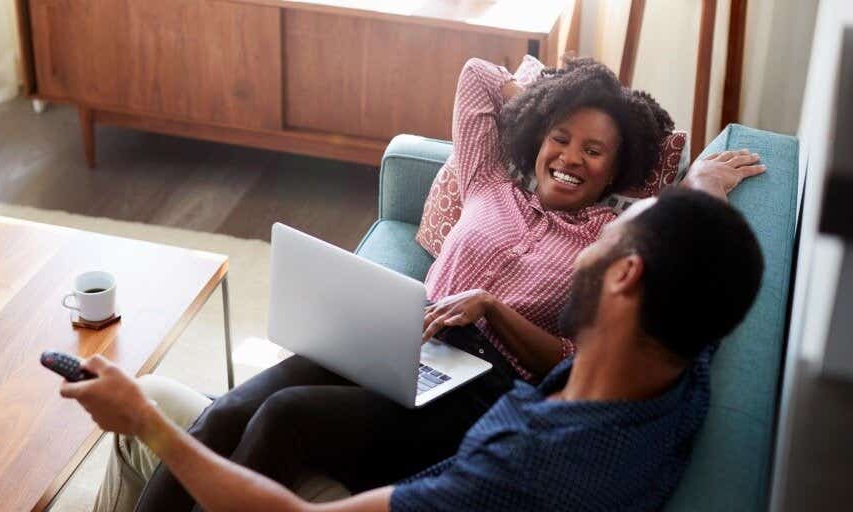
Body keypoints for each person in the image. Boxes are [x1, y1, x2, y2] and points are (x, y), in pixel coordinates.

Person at [95, 56, 763, 511]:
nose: (572, 158)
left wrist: (493, 309)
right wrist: (562, 104)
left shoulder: (607, 260)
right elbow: (477, 76)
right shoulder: (491, 184)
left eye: (597, 151)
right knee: (226, 412)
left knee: (282, 417)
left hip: (477, 376)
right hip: (400, 336)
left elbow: (582, 351)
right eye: (561, 138)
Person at [61, 186, 765, 511]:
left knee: (148, 408)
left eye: (614, 232)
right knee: (226, 412)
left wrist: (144, 423)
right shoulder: (677, 365)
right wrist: (701, 192)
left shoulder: (526, 462)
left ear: (626, 275)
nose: (595, 239)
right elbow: (700, 260)